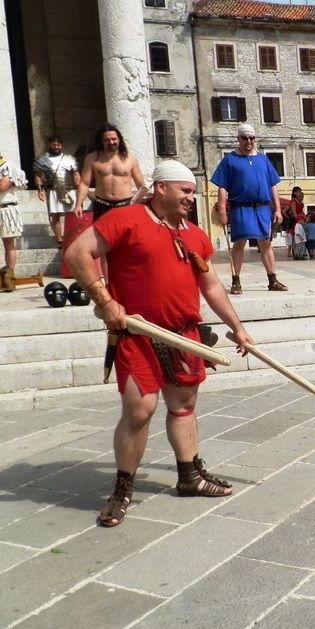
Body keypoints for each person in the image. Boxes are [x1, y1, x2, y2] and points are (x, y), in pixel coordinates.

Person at [64, 161, 254, 528]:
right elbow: (77, 254)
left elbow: (211, 285)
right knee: (139, 409)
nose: (190, 197)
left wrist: (238, 327)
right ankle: (122, 488)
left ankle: (189, 476)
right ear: (161, 189)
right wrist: (105, 302)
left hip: (184, 335)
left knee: (184, 405)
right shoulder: (127, 219)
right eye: (184, 190)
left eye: (191, 191)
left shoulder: (196, 235)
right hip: (138, 333)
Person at [211, 123, 287, 294]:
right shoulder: (230, 160)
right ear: (238, 139)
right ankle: (236, 281)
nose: (248, 141)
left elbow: (273, 185)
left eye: (251, 138)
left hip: (262, 208)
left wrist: (277, 209)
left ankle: (272, 280)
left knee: (266, 244)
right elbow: (222, 187)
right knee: (239, 244)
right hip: (241, 208)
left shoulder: (263, 159)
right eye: (244, 138)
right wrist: (223, 210)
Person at [74, 123, 145, 222]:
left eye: (114, 139)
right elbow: (84, 183)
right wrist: (78, 205)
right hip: (102, 206)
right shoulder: (92, 158)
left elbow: (141, 186)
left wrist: (142, 205)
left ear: (119, 140)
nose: (111, 142)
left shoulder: (130, 159)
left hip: (125, 206)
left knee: (126, 237)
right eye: (107, 140)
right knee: (101, 236)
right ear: (101, 141)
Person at [33, 135, 80, 248]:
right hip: (53, 191)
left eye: (58, 144)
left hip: (69, 189)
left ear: (61, 145)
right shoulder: (42, 159)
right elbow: (38, 176)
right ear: (50, 145)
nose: (56, 146)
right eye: (54, 144)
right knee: (55, 216)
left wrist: (79, 188)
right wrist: (40, 190)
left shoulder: (70, 158)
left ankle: (73, 237)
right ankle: (59, 239)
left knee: (73, 214)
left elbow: (76, 174)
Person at [0, 154, 27, 292]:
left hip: (6, 210)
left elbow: (2, 186)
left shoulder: (7, 167)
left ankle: (9, 276)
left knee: (8, 243)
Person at [282, 186, 305, 257]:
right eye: (299, 191)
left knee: (300, 236)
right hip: (296, 221)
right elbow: (294, 213)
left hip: (300, 221)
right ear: (295, 193)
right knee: (295, 237)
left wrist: (305, 218)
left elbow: (302, 212)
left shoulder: (301, 203)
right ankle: (296, 253)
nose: (300, 192)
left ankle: (300, 252)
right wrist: (296, 220)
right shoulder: (293, 202)